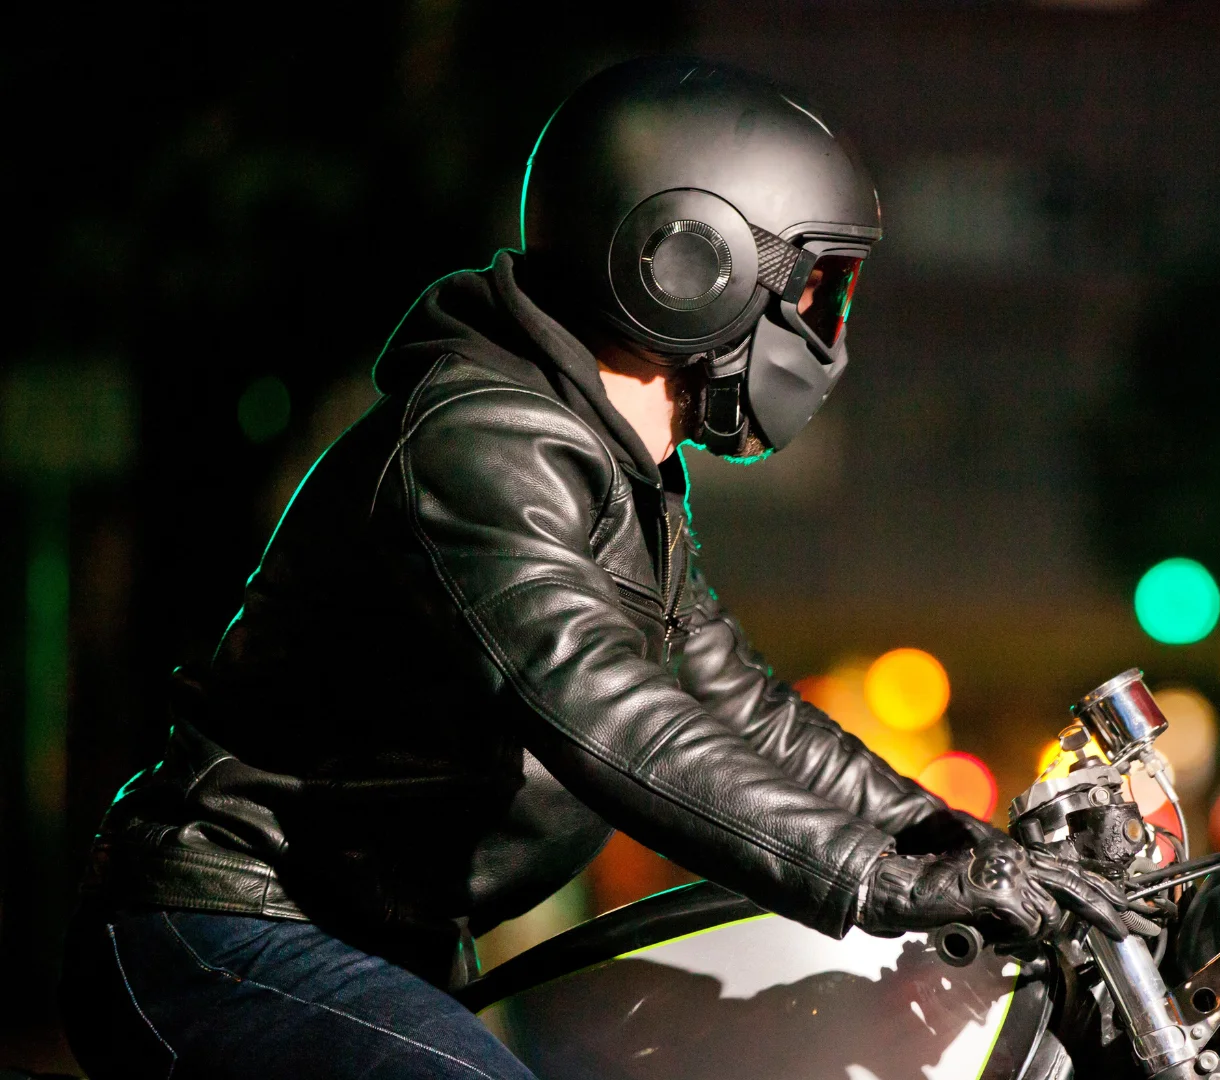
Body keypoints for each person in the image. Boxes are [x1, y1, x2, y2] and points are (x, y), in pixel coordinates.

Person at [58, 58, 1127, 1080]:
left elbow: (740, 706)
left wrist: (956, 841)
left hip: (387, 947)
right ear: (689, 262)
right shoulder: (475, 445)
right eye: (814, 292)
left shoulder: (619, 471)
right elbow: (606, 713)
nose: (825, 335)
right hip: (227, 925)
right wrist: (880, 882)